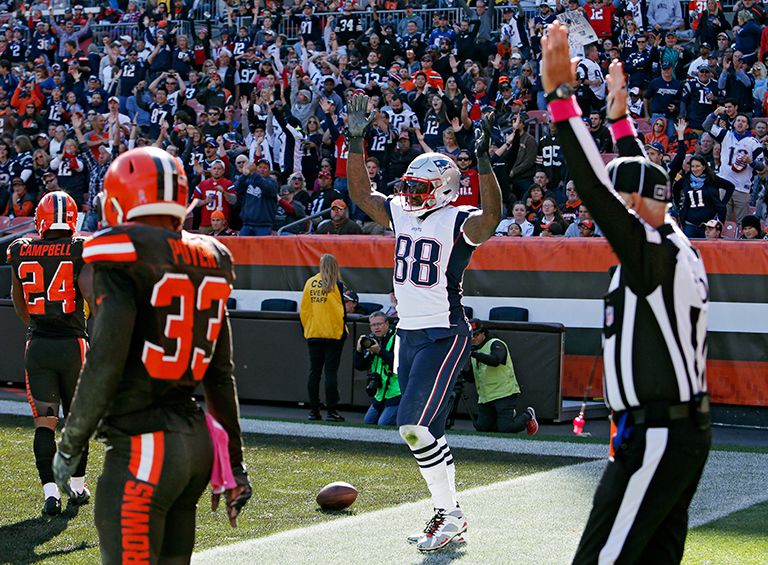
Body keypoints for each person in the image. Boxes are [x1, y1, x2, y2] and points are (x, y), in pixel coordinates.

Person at [542, 23, 711, 564]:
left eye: (623, 201)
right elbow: (642, 176)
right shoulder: (673, 240)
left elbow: (596, 185)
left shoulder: (652, 253)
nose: (612, 212)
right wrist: (619, 119)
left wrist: (560, 99)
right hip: (674, 430)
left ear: (634, 204)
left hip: (659, 435)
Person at [51, 147, 251, 562]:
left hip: (146, 448)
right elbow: (221, 374)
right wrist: (235, 463)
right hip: (195, 444)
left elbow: (105, 360)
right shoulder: (212, 256)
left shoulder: (125, 252)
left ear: (122, 198)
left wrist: (71, 443)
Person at [346, 92, 502, 552]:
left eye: (419, 187)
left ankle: (450, 514)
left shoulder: (458, 221)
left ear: (445, 190)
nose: (409, 194)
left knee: (413, 426)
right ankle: (450, 512)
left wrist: (483, 163)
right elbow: (360, 193)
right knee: (424, 431)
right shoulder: (399, 211)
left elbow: (491, 218)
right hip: (407, 332)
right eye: (408, 185)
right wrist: (356, 142)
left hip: (442, 332)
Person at [6, 191, 90, 516]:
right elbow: (94, 297)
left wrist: (37, 325)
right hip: (73, 345)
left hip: (38, 345)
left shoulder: (21, 249)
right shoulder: (80, 247)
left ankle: (51, 495)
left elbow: (18, 299)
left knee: (45, 422)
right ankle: (78, 488)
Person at [461, 320, 538, 435]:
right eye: (470, 335)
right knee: (482, 429)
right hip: (486, 397)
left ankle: (528, 415)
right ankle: (506, 417)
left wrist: (473, 354)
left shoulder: (496, 344)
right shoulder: (474, 351)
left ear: (483, 333)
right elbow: (472, 378)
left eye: (476, 335)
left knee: (505, 429)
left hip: (504, 393)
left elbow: (495, 360)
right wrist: (460, 372)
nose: (473, 338)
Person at [299, 254, 347, 422]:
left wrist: (308, 329)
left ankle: (314, 411)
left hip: (314, 333)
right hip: (334, 334)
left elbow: (304, 310)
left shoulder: (310, 283)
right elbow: (342, 313)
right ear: (335, 266)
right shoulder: (337, 285)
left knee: (314, 372)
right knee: (330, 373)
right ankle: (332, 411)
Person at [353, 311, 401, 426]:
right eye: (373, 325)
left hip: (397, 393)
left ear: (387, 324)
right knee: (368, 422)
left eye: (379, 324)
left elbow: (398, 363)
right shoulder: (371, 340)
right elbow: (359, 366)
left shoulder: (396, 338)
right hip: (379, 393)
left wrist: (379, 351)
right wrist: (359, 350)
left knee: (383, 423)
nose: (376, 328)